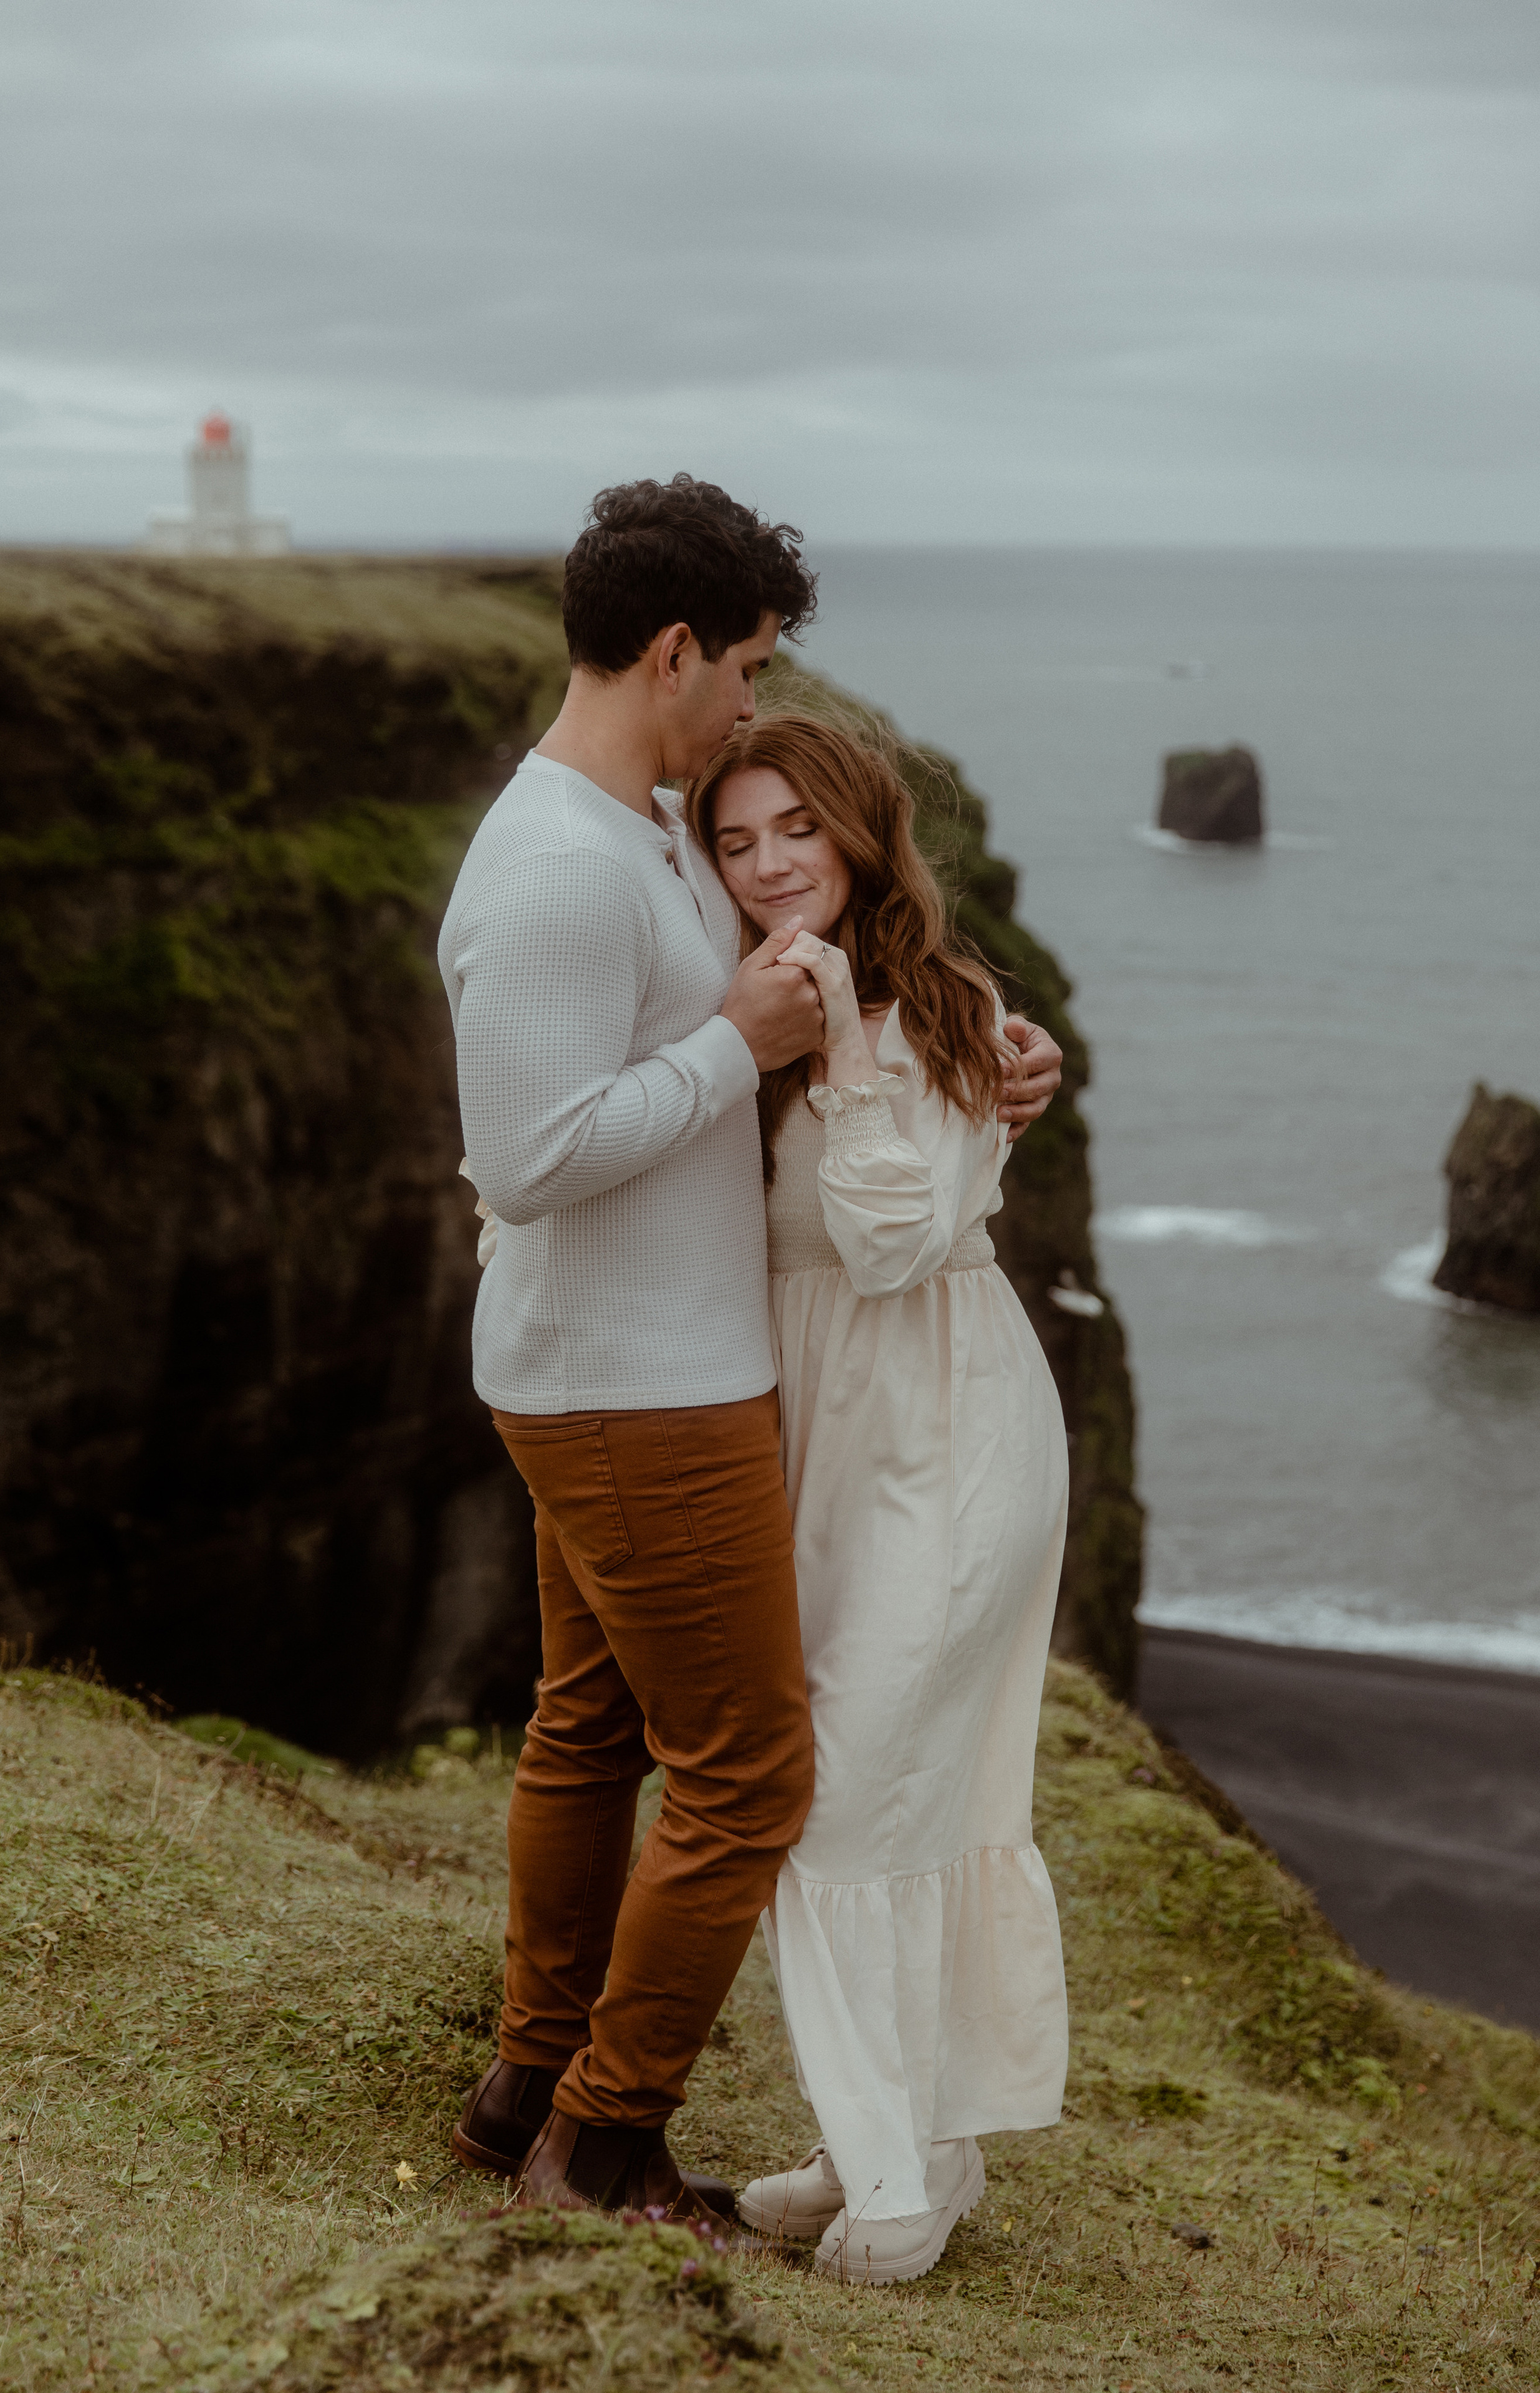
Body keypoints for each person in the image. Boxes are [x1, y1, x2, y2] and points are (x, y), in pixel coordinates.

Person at [437, 476, 1063, 2231]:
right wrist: (730, 1041)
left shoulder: (632, 822)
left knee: (593, 1724)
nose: (747, 712)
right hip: (640, 1382)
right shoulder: (560, 866)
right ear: (672, 649)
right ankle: (609, 2137)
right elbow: (528, 1157)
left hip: (629, 1358)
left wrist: (995, 1047)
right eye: (746, 668)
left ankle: (526, 2086)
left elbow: (839, 961)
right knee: (746, 1775)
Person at [685, 711, 1070, 2285]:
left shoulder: (944, 1007)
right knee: (887, 1792)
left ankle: (900, 2162)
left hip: (945, 1428)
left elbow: (893, 1244)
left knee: (860, 1792)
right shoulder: (740, 1010)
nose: (772, 864)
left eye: (798, 830)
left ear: (858, 834)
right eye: (734, 839)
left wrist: (841, 1038)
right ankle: (893, 2141)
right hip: (814, 1438)